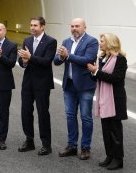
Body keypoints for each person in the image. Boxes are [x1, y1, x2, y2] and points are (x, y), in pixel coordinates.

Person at [53, 18, 98, 160]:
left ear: (84, 27)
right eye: (72, 26)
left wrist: (68, 56)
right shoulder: (66, 41)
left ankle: (85, 148)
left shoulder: (91, 41)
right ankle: (72, 146)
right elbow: (56, 61)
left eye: (77, 26)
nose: (74, 28)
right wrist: (60, 56)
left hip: (85, 86)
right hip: (69, 85)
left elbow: (87, 60)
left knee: (86, 117)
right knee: (70, 116)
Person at [87, 33, 127, 170]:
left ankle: (118, 159)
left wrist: (96, 72)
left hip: (115, 100)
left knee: (115, 130)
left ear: (110, 43)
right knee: (106, 129)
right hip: (104, 98)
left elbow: (116, 79)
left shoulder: (120, 59)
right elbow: (96, 78)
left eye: (102, 41)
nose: (100, 43)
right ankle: (109, 155)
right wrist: (93, 73)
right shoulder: (102, 57)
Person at [17, 16, 56, 156]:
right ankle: (29, 140)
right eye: (31, 25)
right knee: (25, 111)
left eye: (35, 25)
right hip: (28, 82)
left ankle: (46, 145)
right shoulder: (27, 40)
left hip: (42, 83)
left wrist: (30, 57)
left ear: (43, 26)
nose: (32, 28)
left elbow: (46, 61)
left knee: (42, 113)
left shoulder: (51, 41)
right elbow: (21, 62)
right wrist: (24, 61)